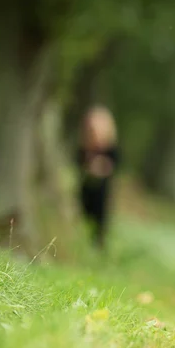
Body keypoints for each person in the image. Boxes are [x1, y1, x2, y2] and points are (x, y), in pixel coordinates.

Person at [76, 105, 119, 250]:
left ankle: (97, 246)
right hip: (86, 188)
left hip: (102, 192)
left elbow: (116, 166)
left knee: (99, 221)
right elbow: (78, 163)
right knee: (83, 215)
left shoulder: (110, 148)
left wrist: (103, 168)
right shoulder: (85, 147)